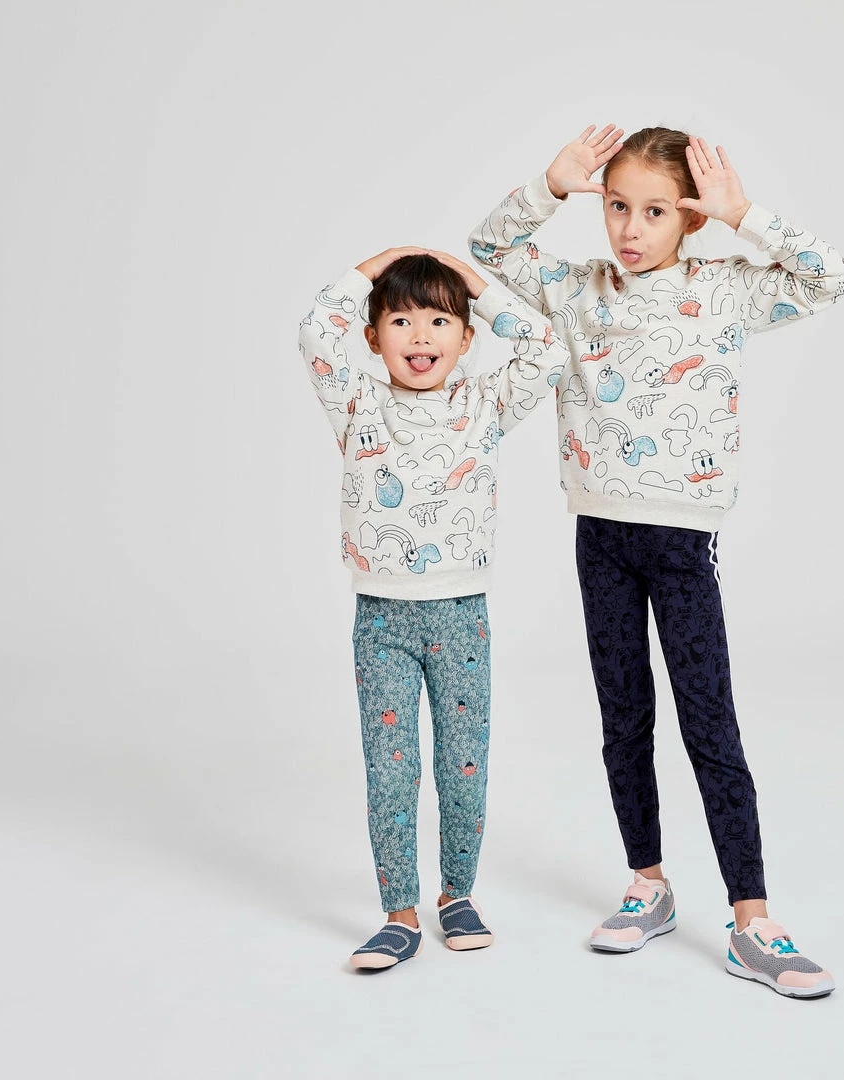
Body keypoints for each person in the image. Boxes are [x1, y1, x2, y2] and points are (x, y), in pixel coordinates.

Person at [467, 124, 844, 998]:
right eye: (616, 207)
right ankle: (647, 884)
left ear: (689, 218)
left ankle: (752, 920)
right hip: (599, 535)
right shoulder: (576, 289)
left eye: (653, 211)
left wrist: (745, 214)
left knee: (709, 722)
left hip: (681, 541)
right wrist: (548, 187)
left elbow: (831, 277)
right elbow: (487, 251)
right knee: (624, 718)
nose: (630, 229)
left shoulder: (723, 290)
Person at [298, 248, 568, 970]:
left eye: (440, 320)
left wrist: (476, 283)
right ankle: (399, 912)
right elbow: (314, 330)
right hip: (382, 619)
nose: (421, 336)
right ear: (373, 336)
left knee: (462, 763)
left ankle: (457, 895)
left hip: (461, 614)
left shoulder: (483, 404)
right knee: (391, 770)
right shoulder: (356, 403)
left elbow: (547, 349)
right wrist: (373, 267)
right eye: (401, 321)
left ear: (467, 338)